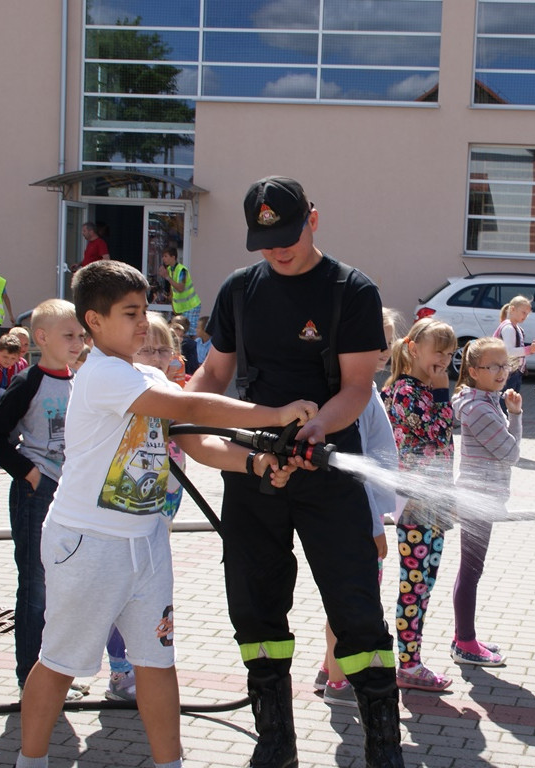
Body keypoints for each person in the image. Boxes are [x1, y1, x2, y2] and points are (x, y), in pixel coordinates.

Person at [15, 260, 317, 768]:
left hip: (146, 543)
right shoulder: (102, 375)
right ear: (93, 320)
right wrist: (274, 414)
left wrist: (255, 462)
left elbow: (195, 443)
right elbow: (195, 409)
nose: (142, 323)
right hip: (89, 542)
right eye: (130, 313)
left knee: (156, 660)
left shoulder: (148, 374)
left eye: (145, 311)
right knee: (61, 662)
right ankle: (31, 760)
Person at [185, 176, 405, 768]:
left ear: (313, 218)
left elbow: (358, 387)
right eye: (264, 239)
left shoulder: (350, 290)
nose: (277, 249)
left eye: (286, 234)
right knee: (255, 605)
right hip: (253, 467)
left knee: (355, 607)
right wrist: (181, 406)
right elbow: (214, 373)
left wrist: (313, 431)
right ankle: (276, 742)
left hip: (325, 464)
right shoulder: (238, 290)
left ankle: (383, 746)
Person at [0, 299, 87, 694]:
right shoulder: (28, 382)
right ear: (41, 338)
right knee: (35, 588)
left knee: (62, 588)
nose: (77, 342)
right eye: (68, 335)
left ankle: (53, 676)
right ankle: (30, 680)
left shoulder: (80, 378)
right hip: (35, 497)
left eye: (80, 335)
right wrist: (30, 474)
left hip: (70, 498)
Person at [102, 313, 191, 703]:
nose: (155, 357)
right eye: (147, 349)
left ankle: (143, 664)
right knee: (120, 587)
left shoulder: (173, 393)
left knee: (148, 588)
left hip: (165, 500)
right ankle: (120, 669)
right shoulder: (128, 392)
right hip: (127, 507)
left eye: (162, 350)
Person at [315, 307, 397, 707]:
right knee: (351, 600)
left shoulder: (369, 390)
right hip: (358, 520)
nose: (382, 348)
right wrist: (374, 526)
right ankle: (337, 681)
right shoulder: (356, 397)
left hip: (365, 515)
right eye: (374, 338)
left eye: (387, 339)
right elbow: (357, 466)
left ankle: (328, 664)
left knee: (344, 596)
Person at [383, 316, 457, 691]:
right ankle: (408, 665)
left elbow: (443, 446)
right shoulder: (405, 391)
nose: (444, 361)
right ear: (413, 349)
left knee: (423, 585)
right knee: (414, 586)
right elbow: (439, 431)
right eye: (438, 353)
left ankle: (410, 660)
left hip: (433, 503)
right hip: (414, 504)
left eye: (449, 355)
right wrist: (443, 393)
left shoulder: (424, 388)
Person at [450, 336, 522, 666]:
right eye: (492, 366)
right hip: (477, 498)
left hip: (483, 497)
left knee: (471, 570)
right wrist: (516, 418)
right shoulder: (479, 407)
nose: (501, 372)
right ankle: (465, 642)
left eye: (504, 365)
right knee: (471, 571)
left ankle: (465, 638)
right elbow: (511, 453)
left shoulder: (486, 400)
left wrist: (513, 413)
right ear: (473, 371)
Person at [494, 295, 535, 398]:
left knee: (510, 402)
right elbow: (509, 351)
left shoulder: (517, 328)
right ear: (513, 309)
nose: (525, 316)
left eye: (527, 314)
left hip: (514, 372)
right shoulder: (508, 328)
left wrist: (529, 350)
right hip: (508, 372)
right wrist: (528, 350)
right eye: (523, 312)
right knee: (505, 402)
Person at [158, 247, 201, 334]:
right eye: (163, 256)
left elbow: (181, 288)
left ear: (173, 257)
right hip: (182, 308)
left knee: (189, 333)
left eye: (166, 256)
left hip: (191, 306)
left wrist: (167, 277)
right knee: (180, 332)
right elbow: (173, 289)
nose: (163, 259)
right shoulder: (170, 269)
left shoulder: (182, 270)